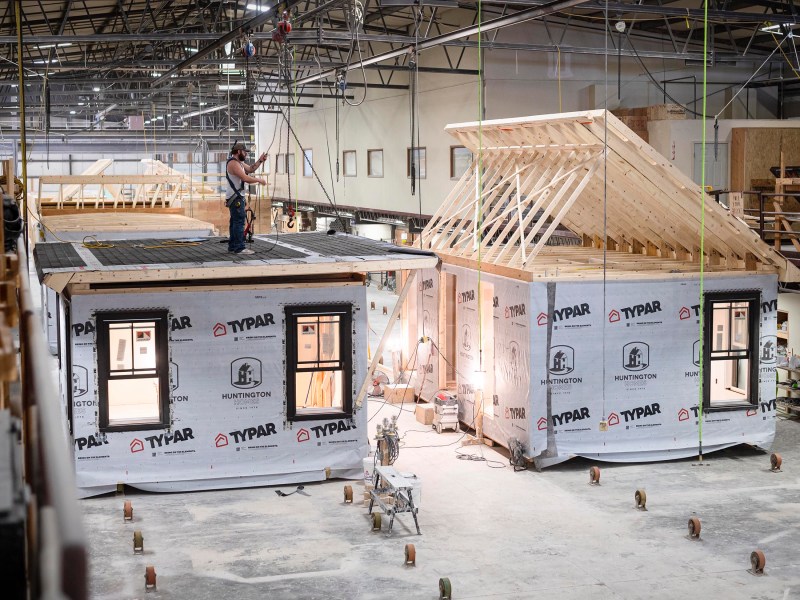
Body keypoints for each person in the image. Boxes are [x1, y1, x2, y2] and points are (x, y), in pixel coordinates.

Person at [226, 142, 267, 254]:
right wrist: (259, 180)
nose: (246, 154)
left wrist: (260, 160)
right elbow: (245, 177)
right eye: (245, 152)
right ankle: (239, 247)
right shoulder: (233, 164)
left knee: (235, 222)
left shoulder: (238, 163)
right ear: (239, 151)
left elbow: (250, 169)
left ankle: (233, 246)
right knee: (239, 222)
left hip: (236, 197)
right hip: (236, 197)